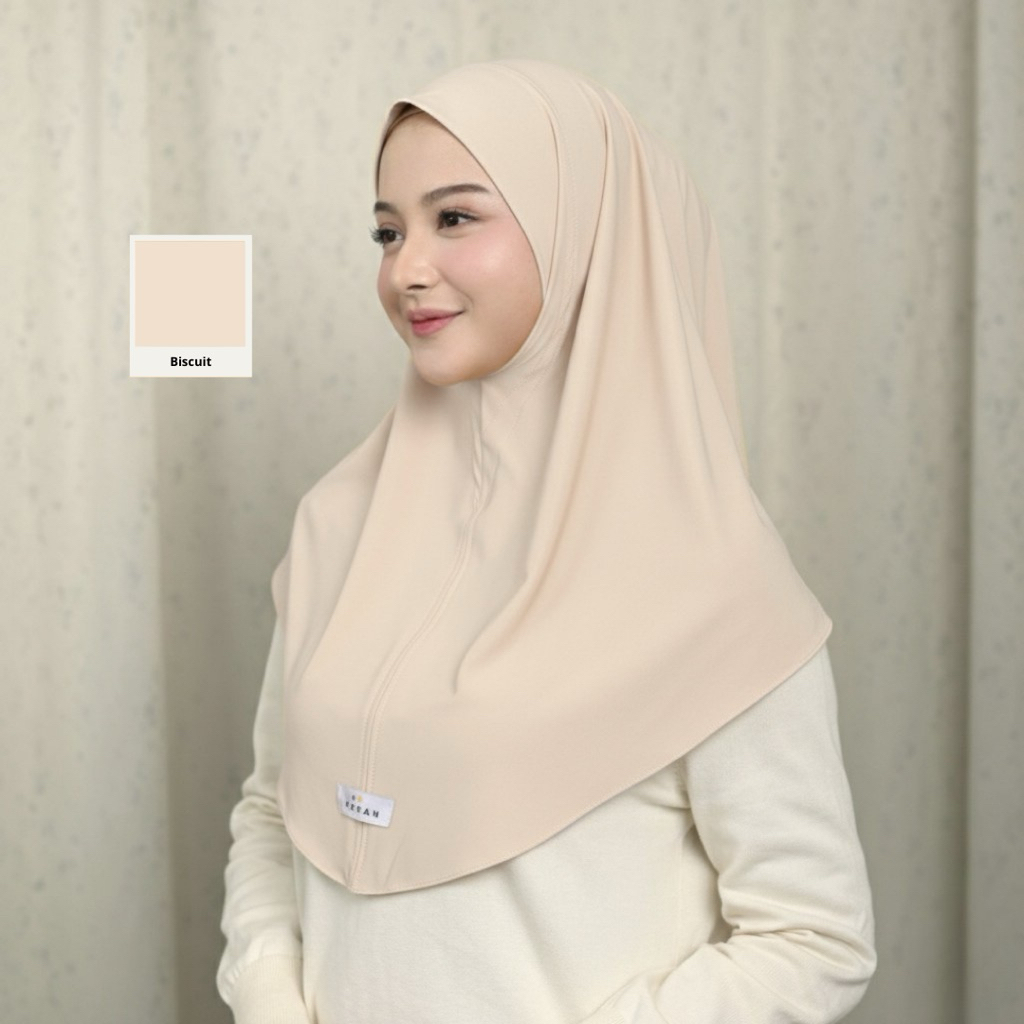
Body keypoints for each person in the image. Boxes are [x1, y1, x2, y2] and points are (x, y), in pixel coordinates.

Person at [217, 59, 877, 1024]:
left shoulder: (712, 577)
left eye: (455, 218)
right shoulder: (338, 525)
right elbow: (273, 811)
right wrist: (269, 996)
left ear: (583, 234)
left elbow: (813, 937)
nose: (406, 269)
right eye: (388, 231)